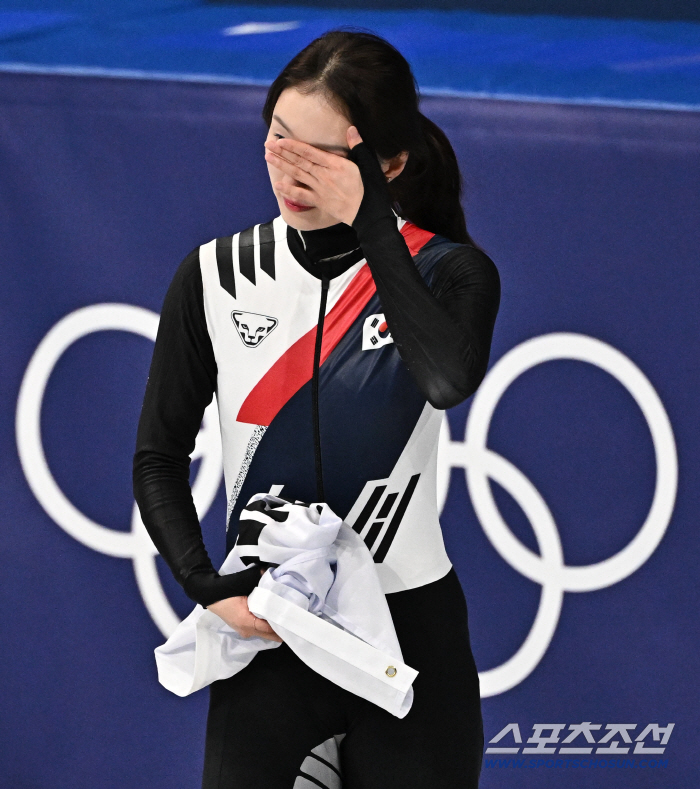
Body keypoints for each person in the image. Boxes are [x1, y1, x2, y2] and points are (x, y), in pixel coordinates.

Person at [133, 29, 500, 789]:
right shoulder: (215, 274)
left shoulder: (448, 271)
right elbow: (158, 454)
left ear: (388, 164)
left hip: (411, 634)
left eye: (323, 158)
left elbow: (443, 379)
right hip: (273, 632)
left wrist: (371, 224)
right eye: (279, 139)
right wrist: (207, 584)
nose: (293, 173)